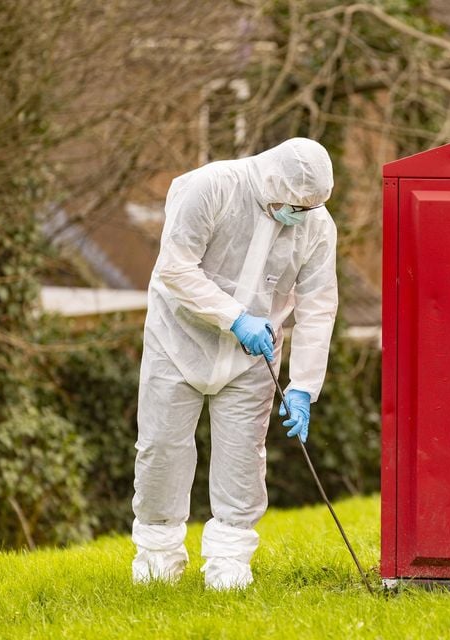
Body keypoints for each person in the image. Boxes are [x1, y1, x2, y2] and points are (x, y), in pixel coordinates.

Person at [131, 138, 338, 590]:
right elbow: (175, 267)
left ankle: (229, 561)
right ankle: (158, 554)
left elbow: (319, 305)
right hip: (179, 339)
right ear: (270, 182)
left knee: (243, 455)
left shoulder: (316, 223)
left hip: (252, 357)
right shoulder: (213, 187)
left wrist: (303, 384)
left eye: (310, 208)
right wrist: (235, 317)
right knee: (162, 447)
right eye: (294, 206)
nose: (301, 216)